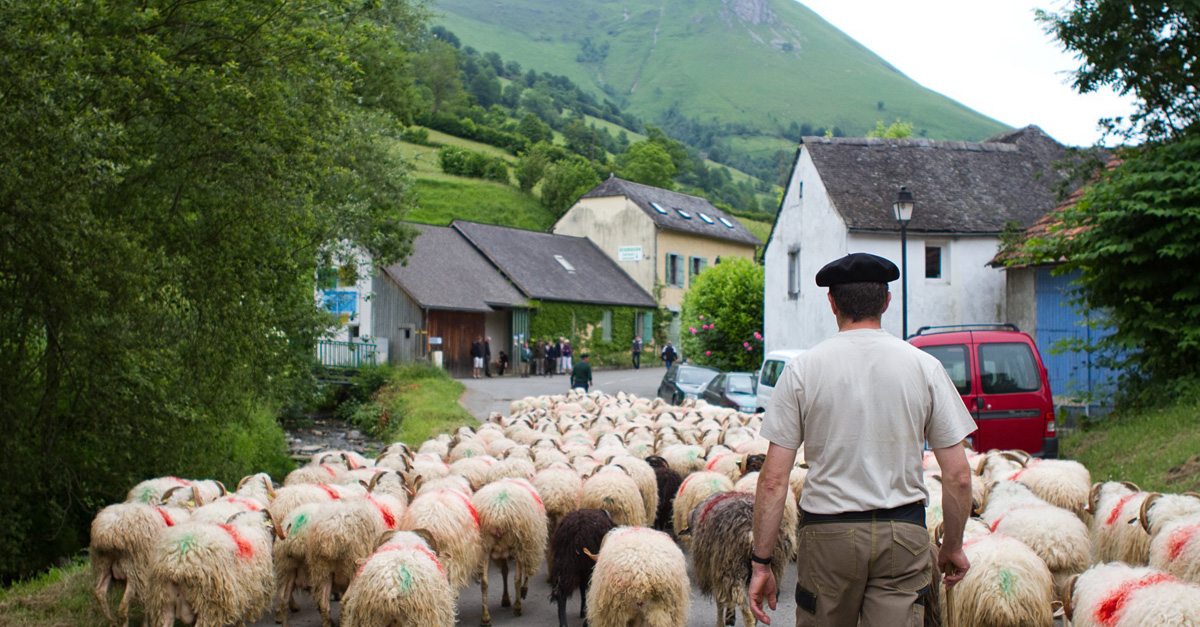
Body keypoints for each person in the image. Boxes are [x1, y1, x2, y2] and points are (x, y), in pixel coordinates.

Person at [747, 252, 976, 627]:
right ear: (886, 302)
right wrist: (952, 545)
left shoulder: (802, 369)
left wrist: (762, 562)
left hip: (828, 536)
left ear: (832, 302)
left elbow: (773, 480)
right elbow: (959, 476)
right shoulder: (924, 367)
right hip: (903, 535)